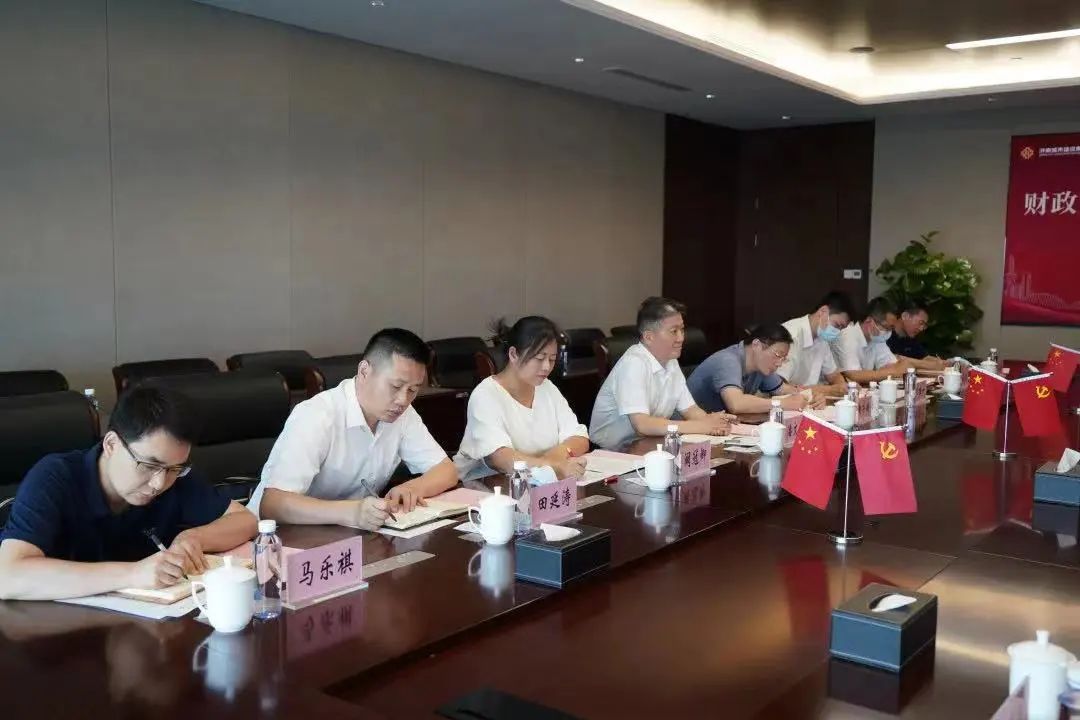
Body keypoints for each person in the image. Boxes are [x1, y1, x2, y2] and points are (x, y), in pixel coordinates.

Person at [0, 386, 257, 601]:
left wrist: (194, 538)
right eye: (148, 465)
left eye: (173, 469)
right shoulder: (55, 477)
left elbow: (245, 520)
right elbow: (7, 576)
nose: (159, 483)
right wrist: (132, 574)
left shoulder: (173, 473)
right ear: (111, 444)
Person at [251, 328, 457, 530]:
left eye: (412, 390)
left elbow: (446, 471)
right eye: (395, 386)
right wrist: (351, 512)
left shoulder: (402, 414)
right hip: (277, 537)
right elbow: (273, 505)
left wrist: (412, 488)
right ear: (364, 371)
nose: (403, 400)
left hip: (345, 534)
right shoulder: (317, 415)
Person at [454, 317, 589, 482]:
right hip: (485, 486)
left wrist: (560, 453)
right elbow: (500, 459)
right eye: (539, 358)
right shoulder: (486, 395)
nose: (547, 366)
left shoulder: (546, 387)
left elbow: (580, 438)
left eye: (552, 359)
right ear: (513, 354)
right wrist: (553, 467)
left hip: (535, 482)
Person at [589, 297, 733, 449]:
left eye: (682, 329)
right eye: (674, 331)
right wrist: (701, 426)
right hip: (613, 452)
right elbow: (643, 425)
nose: (681, 338)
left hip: (649, 444)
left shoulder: (670, 361)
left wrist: (713, 423)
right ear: (649, 337)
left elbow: (690, 410)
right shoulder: (634, 363)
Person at [687, 324, 813, 415]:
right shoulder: (728, 361)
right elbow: (736, 404)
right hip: (690, 430)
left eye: (783, 358)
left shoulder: (761, 366)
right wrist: (781, 403)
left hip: (719, 427)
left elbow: (784, 390)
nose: (779, 363)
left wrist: (809, 396)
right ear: (756, 345)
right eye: (778, 355)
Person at [777, 291, 852, 399]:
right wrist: (830, 390)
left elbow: (834, 375)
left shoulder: (822, 337)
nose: (837, 332)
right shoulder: (791, 335)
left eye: (841, 329)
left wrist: (842, 387)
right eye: (837, 325)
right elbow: (780, 387)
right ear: (823, 311)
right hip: (785, 401)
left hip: (810, 400)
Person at [833, 296, 912, 384]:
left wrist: (896, 368)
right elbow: (853, 375)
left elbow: (893, 365)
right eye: (886, 327)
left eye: (891, 329)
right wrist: (892, 373)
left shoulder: (877, 339)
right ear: (869, 321)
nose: (888, 332)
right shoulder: (847, 335)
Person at [887, 300, 946, 371]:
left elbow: (924, 357)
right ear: (905, 316)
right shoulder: (885, 334)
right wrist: (929, 365)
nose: (921, 329)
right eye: (921, 323)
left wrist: (946, 363)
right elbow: (892, 358)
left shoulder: (910, 338)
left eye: (924, 326)